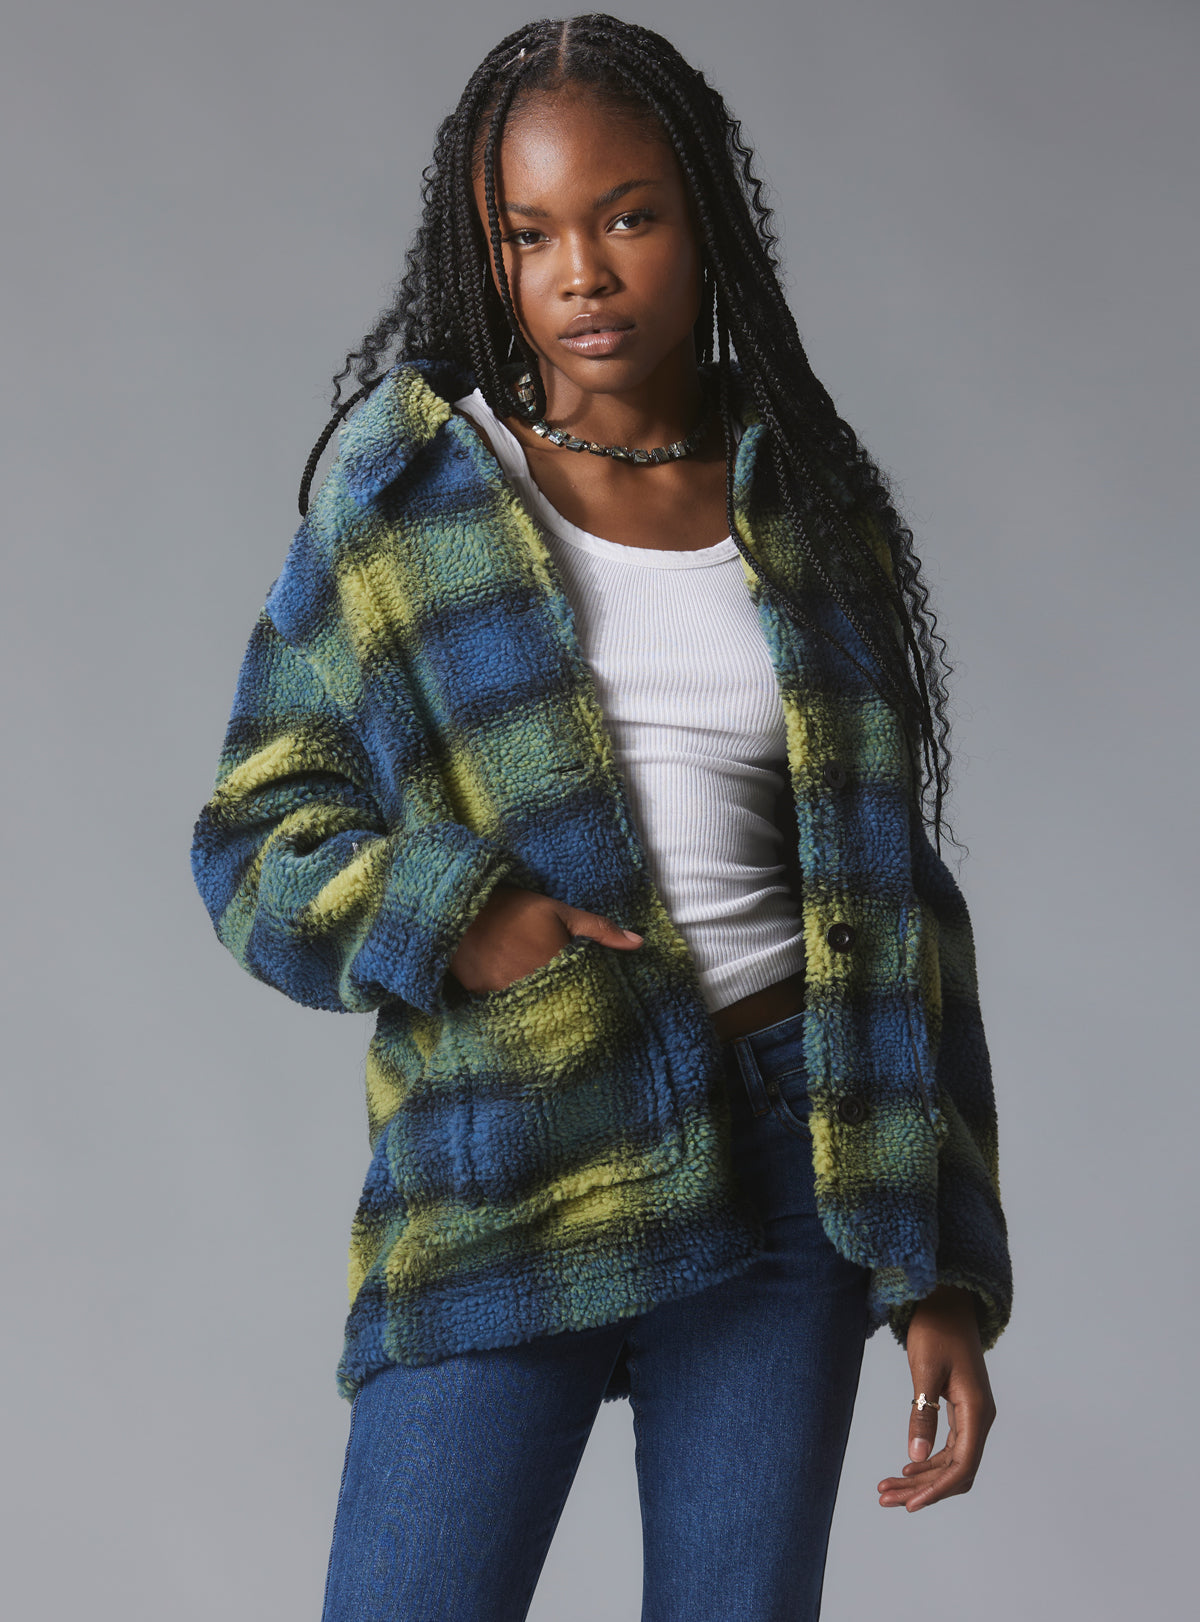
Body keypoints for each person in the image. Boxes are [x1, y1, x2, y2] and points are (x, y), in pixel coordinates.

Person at [190, 14, 1012, 1619]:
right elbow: (250, 836)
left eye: (628, 216)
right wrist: (455, 917)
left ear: (704, 220)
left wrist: (943, 1265)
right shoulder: (411, 492)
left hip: (793, 1152)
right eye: (531, 234)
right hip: (516, 1141)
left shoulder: (808, 497)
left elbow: (901, 906)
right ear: (487, 252)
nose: (582, 272)